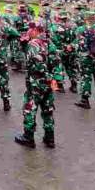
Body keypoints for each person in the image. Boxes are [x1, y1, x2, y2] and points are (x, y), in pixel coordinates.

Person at [14, 21, 63, 149]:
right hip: (49, 83)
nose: (28, 31)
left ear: (36, 30)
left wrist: (45, 77)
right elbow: (57, 63)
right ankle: (49, 138)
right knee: (48, 109)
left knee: (30, 108)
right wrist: (54, 81)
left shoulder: (34, 44)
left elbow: (37, 64)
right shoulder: (50, 43)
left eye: (30, 29)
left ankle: (28, 137)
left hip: (36, 82)